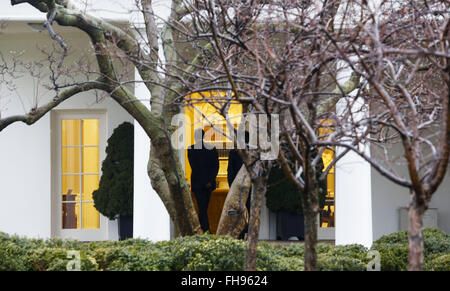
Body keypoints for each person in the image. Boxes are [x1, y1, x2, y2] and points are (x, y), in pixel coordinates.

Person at [188, 128, 219, 232]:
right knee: (203, 207)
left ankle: (203, 229)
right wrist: (209, 181)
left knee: (202, 207)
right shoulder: (211, 148)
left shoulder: (191, 149)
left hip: (197, 184)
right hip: (209, 185)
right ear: (204, 136)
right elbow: (215, 166)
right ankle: (205, 229)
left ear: (195, 137)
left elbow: (195, 167)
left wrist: (204, 181)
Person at [227, 131, 251, 239]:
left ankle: (239, 232)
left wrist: (231, 186)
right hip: (249, 186)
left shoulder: (234, 152)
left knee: (238, 211)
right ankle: (248, 231)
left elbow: (230, 172)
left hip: (237, 187)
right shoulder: (252, 153)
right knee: (248, 209)